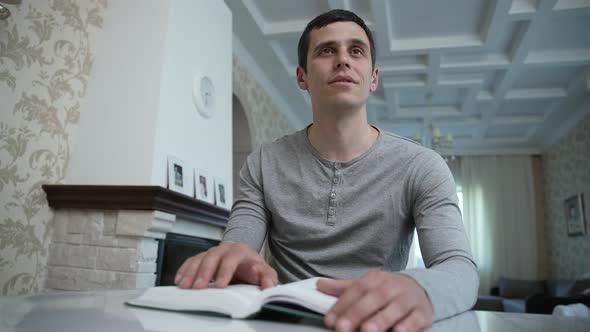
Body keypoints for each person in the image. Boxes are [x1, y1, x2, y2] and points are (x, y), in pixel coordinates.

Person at [175, 9, 479, 332]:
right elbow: (239, 250)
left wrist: (422, 289)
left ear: (373, 77)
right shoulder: (263, 162)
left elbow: (459, 267)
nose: (343, 60)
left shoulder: (423, 166)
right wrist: (231, 258)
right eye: (326, 50)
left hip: (377, 325)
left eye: (356, 51)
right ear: (302, 77)